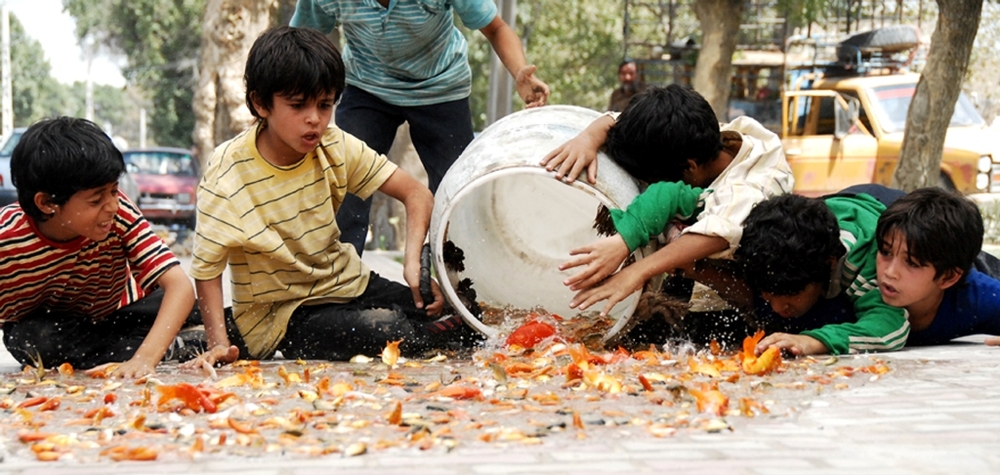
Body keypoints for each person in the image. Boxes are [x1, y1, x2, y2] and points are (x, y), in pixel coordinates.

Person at [188, 27, 475, 366]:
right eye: (298, 106)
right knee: (390, 332)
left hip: (349, 285)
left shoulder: (334, 144)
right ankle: (208, 335)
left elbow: (416, 193)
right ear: (260, 103)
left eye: (325, 105)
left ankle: (432, 327)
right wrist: (218, 344)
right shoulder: (228, 171)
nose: (315, 119)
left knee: (462, 312)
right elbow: (207, 267)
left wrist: (413, 264)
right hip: (283, 316)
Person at [291, 0, 550, 256]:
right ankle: (339, 273)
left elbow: (496, 28)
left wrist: (519, 71)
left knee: (457, 191)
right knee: (345, 180)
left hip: (441, 87)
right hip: (367, 86)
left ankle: (458, 274)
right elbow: (298, 41)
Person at [540, 85, 793, 318]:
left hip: (743, 287)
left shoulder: (751, 187)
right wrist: (587, 139)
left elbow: (718, 232)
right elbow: (615, 121)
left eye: (651, 181)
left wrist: (635, 270)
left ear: (689, 168)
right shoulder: (689, 135)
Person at [0, 117, 200, 379]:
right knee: (36, 339)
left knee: (212, 314)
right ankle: (176, 346)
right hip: (57, 330)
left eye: (114, 191)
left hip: (121, 313)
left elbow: (180, 287)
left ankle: (154, 346)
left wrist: (145, 360)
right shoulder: (7, 237)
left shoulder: (119, 211)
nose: (113, 206)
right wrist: (147, 355)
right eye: (96, 200)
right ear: (47, 203)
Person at [736, 188, 909, 356]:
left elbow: (890, 327)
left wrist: (814, 341)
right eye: (768, 295)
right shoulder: (774, 238)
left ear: (830, 265)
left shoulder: (868, 262)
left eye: (791, 293)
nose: (777, 307)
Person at [875, 187, 1000, 346]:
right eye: (886, 252)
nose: (890, 272)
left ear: (948, 277)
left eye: (912, 263)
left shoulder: (977, 298)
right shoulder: (855, 279)